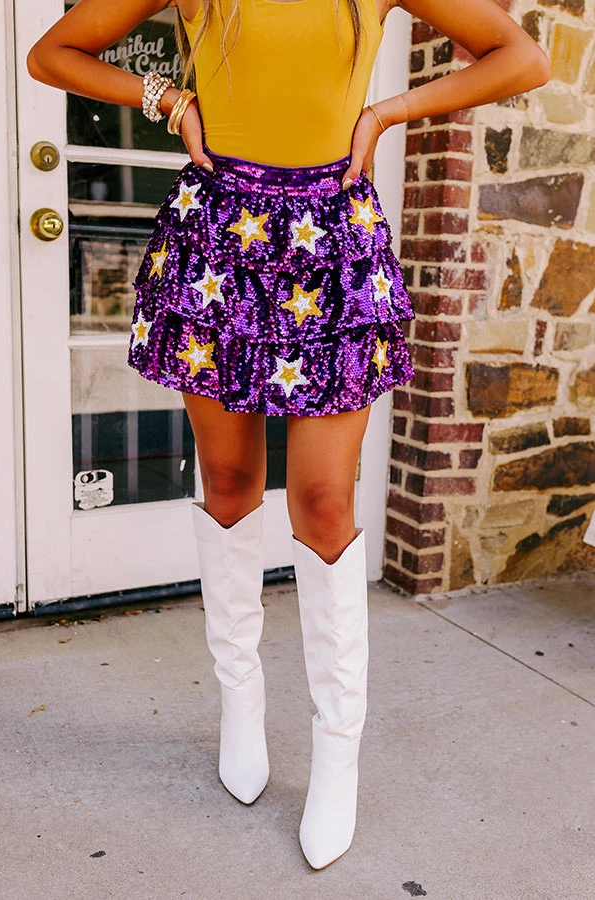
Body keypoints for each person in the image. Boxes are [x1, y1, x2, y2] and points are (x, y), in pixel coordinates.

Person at [27, 0, 549, 870]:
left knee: (320, 501)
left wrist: (386, 112)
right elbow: (55, 52)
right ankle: (240, 699)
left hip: (332, 242)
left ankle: (337, 747)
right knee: (228, 484)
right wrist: (168, 97)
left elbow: (520, 56)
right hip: (219, 240)